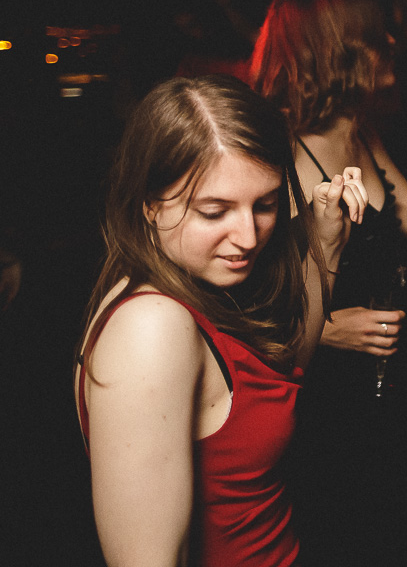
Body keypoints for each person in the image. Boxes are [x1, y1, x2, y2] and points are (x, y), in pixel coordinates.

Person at [75, 74, 367, 567]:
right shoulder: (151, 328)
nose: (249, 237)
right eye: (215, 212)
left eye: (266, 205)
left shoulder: (196, 283)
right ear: (149, 203)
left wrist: (327, 239)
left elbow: (280, 374)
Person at [248, 0, 407, 562]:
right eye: (378, 40)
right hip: (328, 410)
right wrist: (325, 328)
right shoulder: (283, 155)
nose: (391, 48)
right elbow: (239, 304)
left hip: (388, 400)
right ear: (339, 54)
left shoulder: (362, 135)